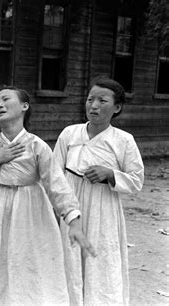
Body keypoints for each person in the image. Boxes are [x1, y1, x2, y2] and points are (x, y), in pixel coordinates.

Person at [0, 86, 96, 305]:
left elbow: (57, 184)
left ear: (24, 106)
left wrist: (73, 220)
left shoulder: (37, 146)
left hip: (29, 215)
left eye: (5, 99)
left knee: (25, 266)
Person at [53, 77, 144, 305]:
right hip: (71, 203)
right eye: (90, 99)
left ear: (117, 108)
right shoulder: (70, 134)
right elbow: (53, 175)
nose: (93, 106)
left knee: (100, 258)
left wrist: (110, 173)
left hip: (103, 208)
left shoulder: (123, 140)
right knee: (69, 257)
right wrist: (56, 212)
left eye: (102, 101)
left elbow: (136, 180)